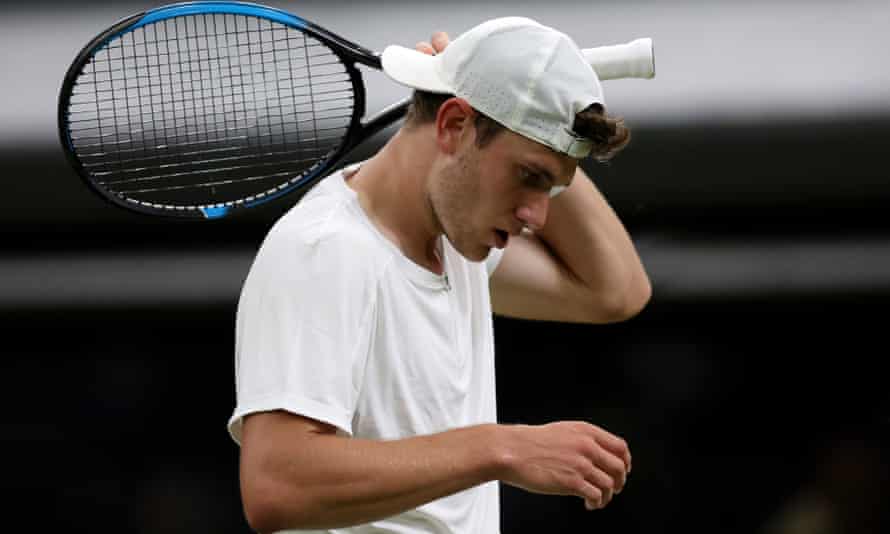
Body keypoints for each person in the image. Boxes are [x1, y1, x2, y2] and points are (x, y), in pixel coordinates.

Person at [228, 16, 652, 534]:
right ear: (453, 125)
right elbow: (277, 485)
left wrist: (544, 114)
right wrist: (502, 446)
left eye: (553, 190)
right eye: (529, 176)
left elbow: (617, 291)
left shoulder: (455, 241)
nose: (537, 217)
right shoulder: (324, 250)